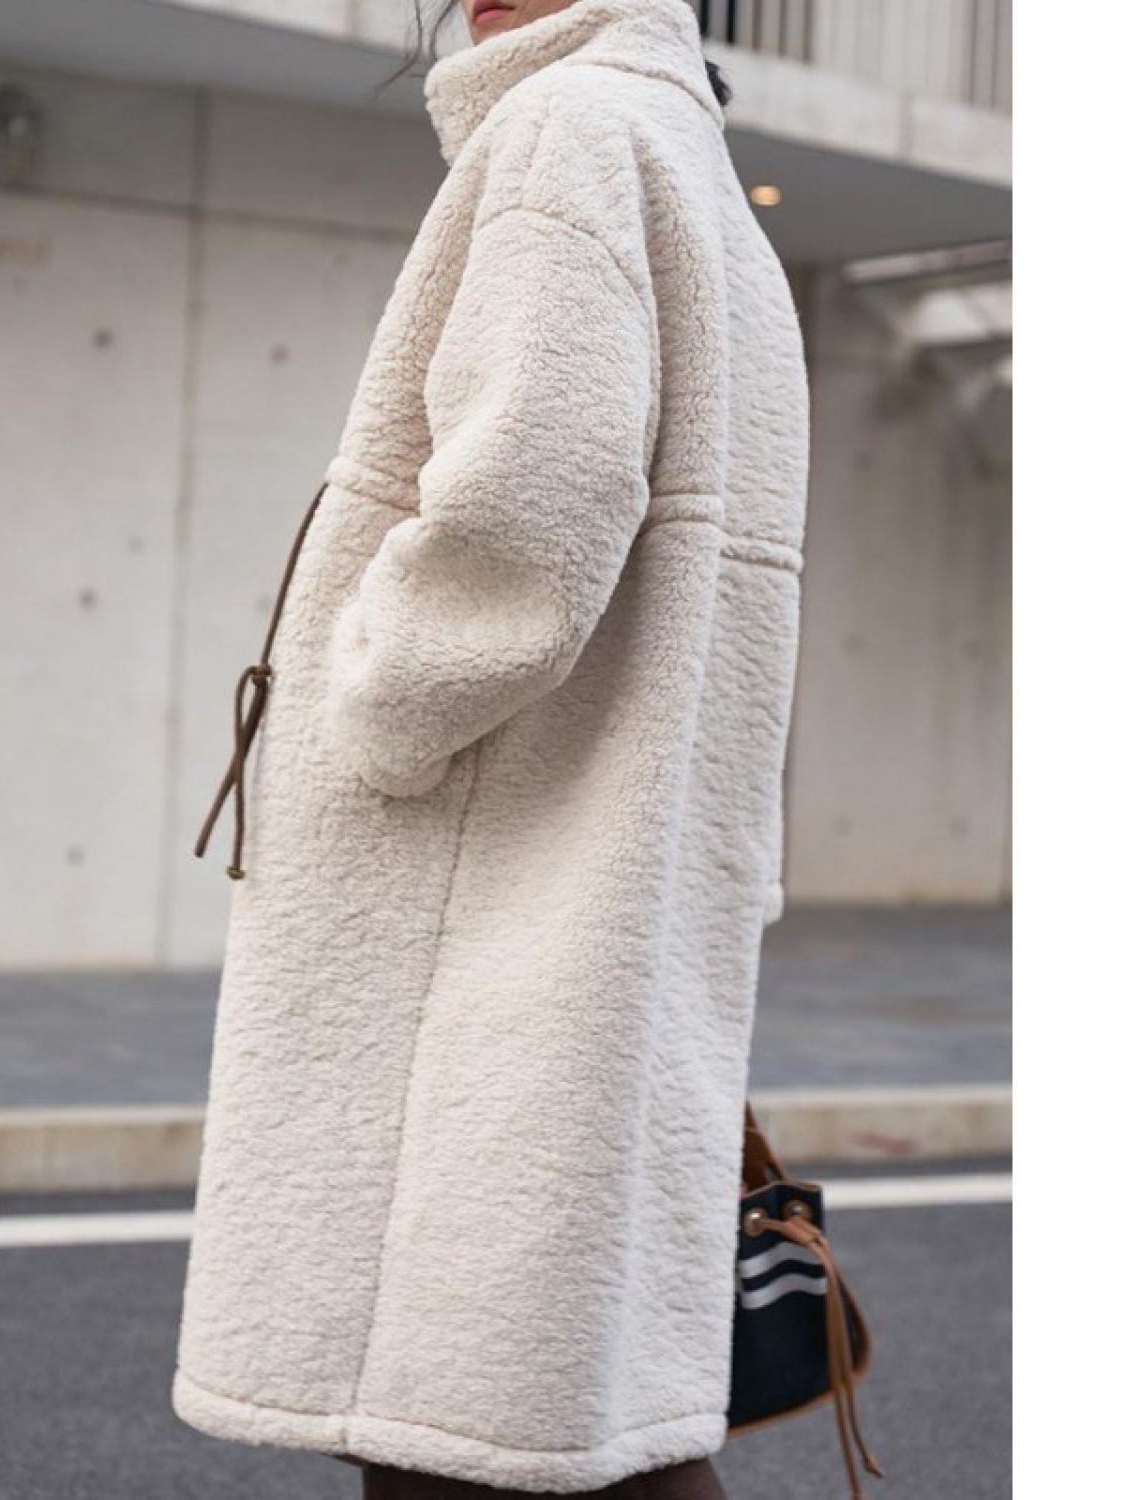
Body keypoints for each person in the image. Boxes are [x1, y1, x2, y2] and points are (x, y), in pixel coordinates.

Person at [173, 1, 808, 1496]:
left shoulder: (568, 132)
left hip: (484, 885)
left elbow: (528, 516)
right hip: (595, 877)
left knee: (453, 1421)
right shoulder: (688, 160)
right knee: (550, 1418)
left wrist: (373, 707)